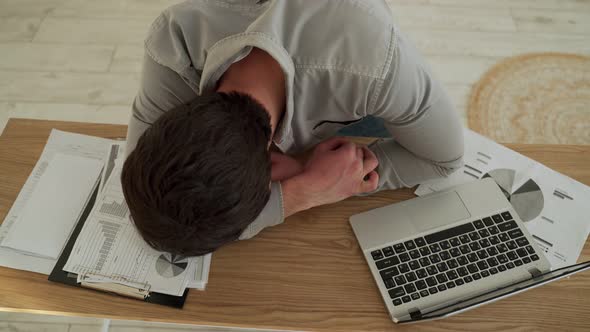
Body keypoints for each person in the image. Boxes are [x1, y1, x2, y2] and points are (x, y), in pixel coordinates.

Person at [121, 0, 465, 256]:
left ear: (272, 166)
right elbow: (153, 202)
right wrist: (300, 190)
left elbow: (443, 160)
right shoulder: (174, 40)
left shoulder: (373, 64)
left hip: (356, 78)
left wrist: (328, 184)